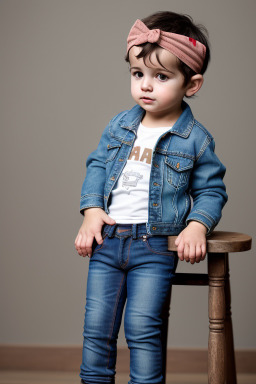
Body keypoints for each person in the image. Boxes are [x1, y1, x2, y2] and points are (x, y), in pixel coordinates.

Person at [75, 11, 228, 384]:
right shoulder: (120, 125)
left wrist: (196, 225)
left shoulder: (195, 139)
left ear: (191, 85)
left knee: (143, 329)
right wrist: (92, 211)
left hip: (154, 246)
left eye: (161, 77)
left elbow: (211, 190)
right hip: (108, 243)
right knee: (96, 330)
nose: (146, 85)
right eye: (137, 74)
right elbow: (96, 167)